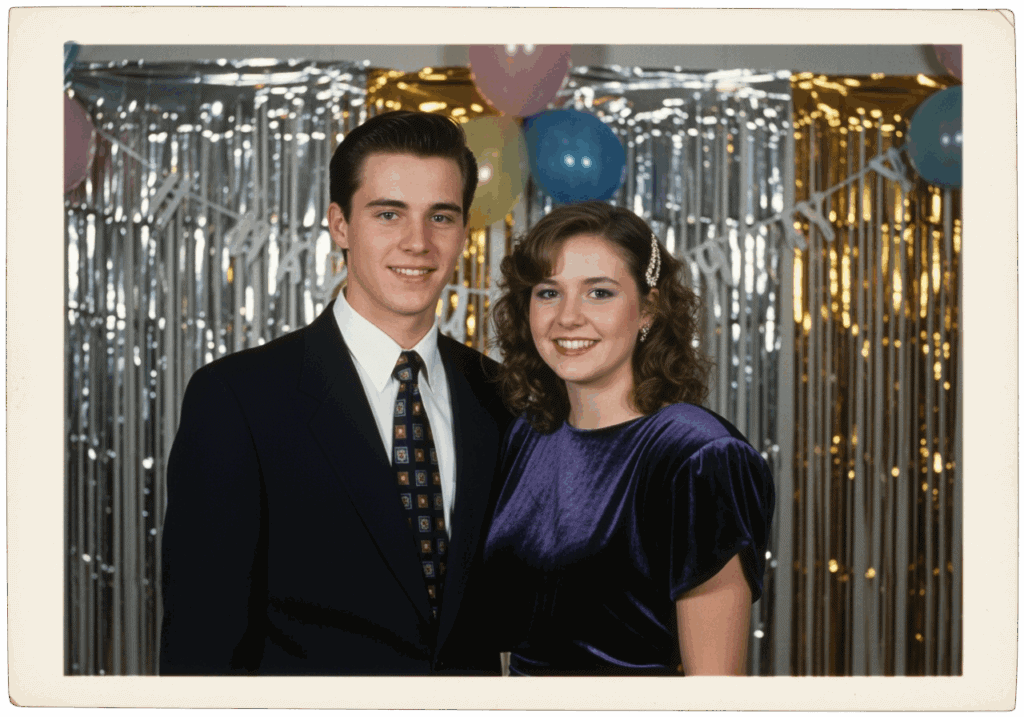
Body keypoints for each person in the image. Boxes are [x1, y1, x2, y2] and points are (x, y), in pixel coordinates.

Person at [159, 110, 511, 675]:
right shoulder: (238, 400)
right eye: (389, 213)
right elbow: (202, 644)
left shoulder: (501, 396)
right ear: (340, 225)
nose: (417, 242)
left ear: (463, 230)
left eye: (440, 217)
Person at [484, 201, 775, 676]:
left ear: (649, 309)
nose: (568, 318)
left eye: (599, 292)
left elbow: (715, 691)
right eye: (548, 292)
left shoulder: (697, 455)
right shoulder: (526, 437)